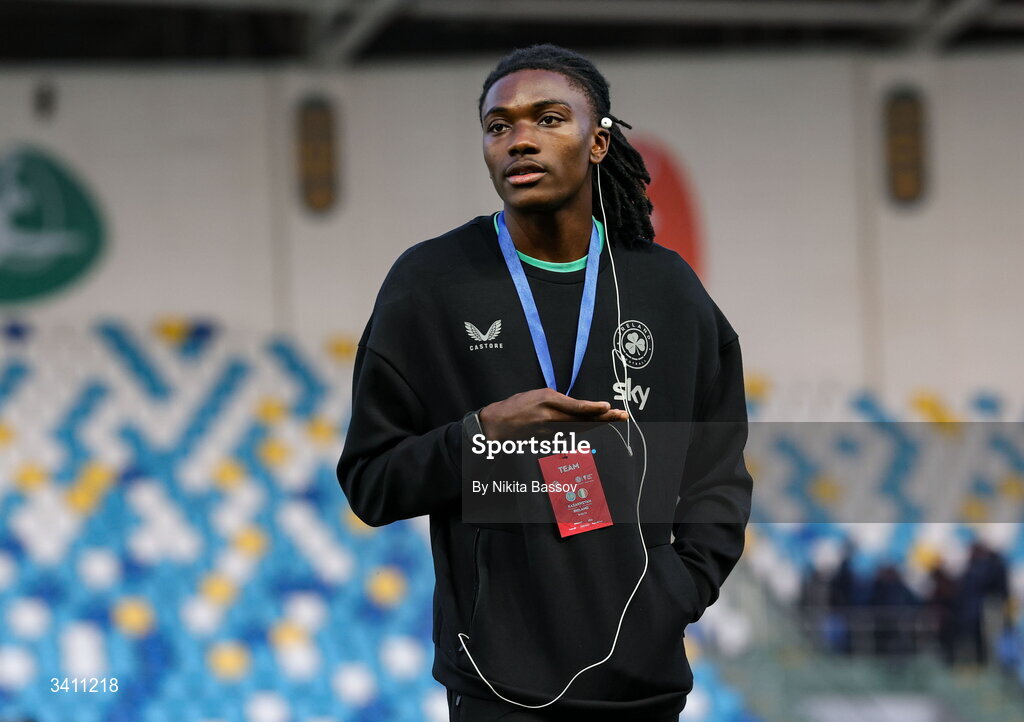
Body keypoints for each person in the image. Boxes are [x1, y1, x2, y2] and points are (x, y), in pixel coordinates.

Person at [337, 44, 753, 721]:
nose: (519, 140)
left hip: (642, 684)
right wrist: (481, 436)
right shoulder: (430, 285)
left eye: (549, 119)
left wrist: (677, 591)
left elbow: (718, 473)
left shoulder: (668, 290)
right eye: (498, 126)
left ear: (598, 142)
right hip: (497, 687)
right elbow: (370, 482)